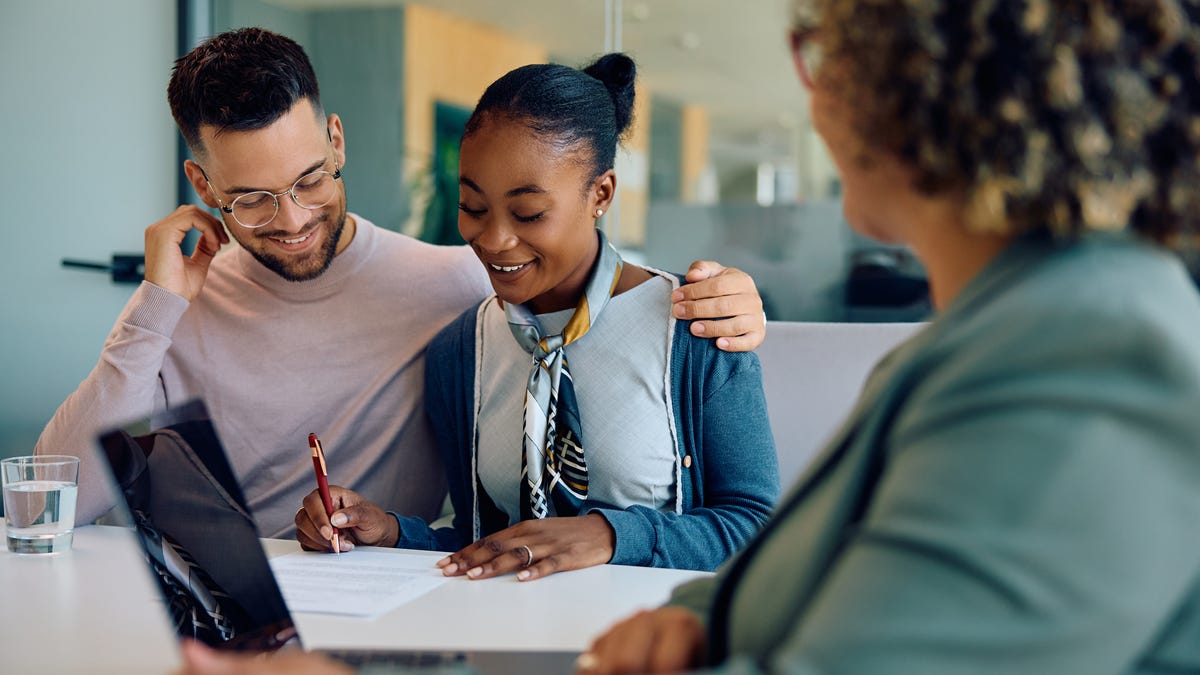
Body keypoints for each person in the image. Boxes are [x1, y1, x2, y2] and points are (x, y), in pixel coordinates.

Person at [178, 0, 1200, 672]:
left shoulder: (1086, 359)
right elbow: (851, 587)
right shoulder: (992, 338)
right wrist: (706, 621)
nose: (811, 79)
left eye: (825, 44)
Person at [35, 28, 769, 538]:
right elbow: (49, 508)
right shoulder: (179, 308)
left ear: (337, 142)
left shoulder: (456, 284)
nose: (291, 219)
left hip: (385, 606)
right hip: (236, 608)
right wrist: (154, 306)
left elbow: (579, 270)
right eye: (252, 197)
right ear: (201, 182)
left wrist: (731, 297)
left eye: (310, 179)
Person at [293, 54, 780, 581]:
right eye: (473, 207)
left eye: (528, 214)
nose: (494, 239)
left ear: (601, 194)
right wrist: (388, 531)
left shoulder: (696, 326)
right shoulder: (461, 351)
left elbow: (757, 527)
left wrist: (610, 535)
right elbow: (485, 541)